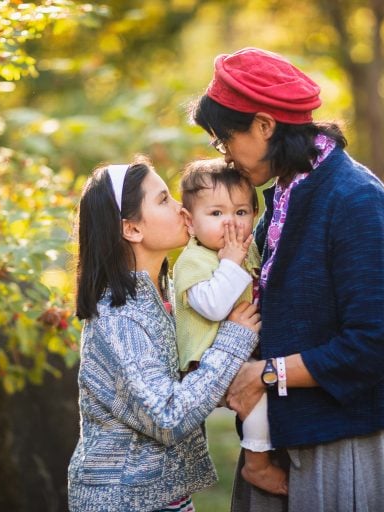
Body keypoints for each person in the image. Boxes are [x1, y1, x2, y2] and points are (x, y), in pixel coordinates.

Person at [190, 47, 384, 511]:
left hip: (336, 437)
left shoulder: (355, 199)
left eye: (225, 138)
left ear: (265, 125)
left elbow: (371, 345)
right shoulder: (286, 195)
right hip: (280, 432)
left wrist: (266, 375)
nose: (224, 154)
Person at [67, 157, 260, 512]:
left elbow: (180, 386)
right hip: (123, 498)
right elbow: (168, 416)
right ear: (132, 229)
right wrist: (233, 340)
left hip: (160, 495)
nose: (183, 209)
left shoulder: (163, 294)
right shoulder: (119, 318)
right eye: (163, 200)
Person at [174, 158, 287, 496]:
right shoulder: (191, 260)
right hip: (205, 362)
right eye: (216, 213)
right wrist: (231, 263)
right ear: (190, 222)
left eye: (241, 212)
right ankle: (257, 465)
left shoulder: (246, 249)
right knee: (259, 395)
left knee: (266, 388)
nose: (230, 223)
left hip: (241, 354)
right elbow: (213, 305)